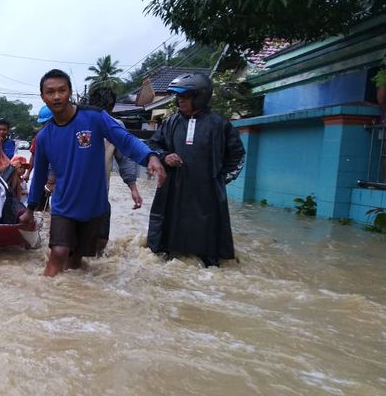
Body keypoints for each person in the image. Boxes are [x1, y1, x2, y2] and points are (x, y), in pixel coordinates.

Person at [20, 69, 166, 277]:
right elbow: (40, 174)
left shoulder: (95, 117)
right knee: (59, 252)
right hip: (63, 205)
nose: (57, 96)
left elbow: (125, 139)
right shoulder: (44, 137)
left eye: (62, 90)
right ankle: (43, 295)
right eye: (50, 92)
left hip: (94, 205)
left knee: (77, 258)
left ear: (70, 91)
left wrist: (149, 156)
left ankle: (66, 301)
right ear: (43, 97)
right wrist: (30, 208)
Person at [147, 72, 246, 267]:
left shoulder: (220, 124)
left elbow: (237, 155)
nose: (180, 101)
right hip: (173, 190)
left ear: (200, 96)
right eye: (179, 97)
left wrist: (219, 179)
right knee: (166, 245)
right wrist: (165, 156)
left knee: (207, 248)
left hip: (205, 194)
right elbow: (153, 147)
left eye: (185, 96)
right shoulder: (170, 122)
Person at [86, 85, 143, 254]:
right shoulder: (76, 123)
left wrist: (132, 186)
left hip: (100, 196)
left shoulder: (115, 126)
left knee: (100, 242)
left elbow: (125, 157)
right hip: (74, 196)